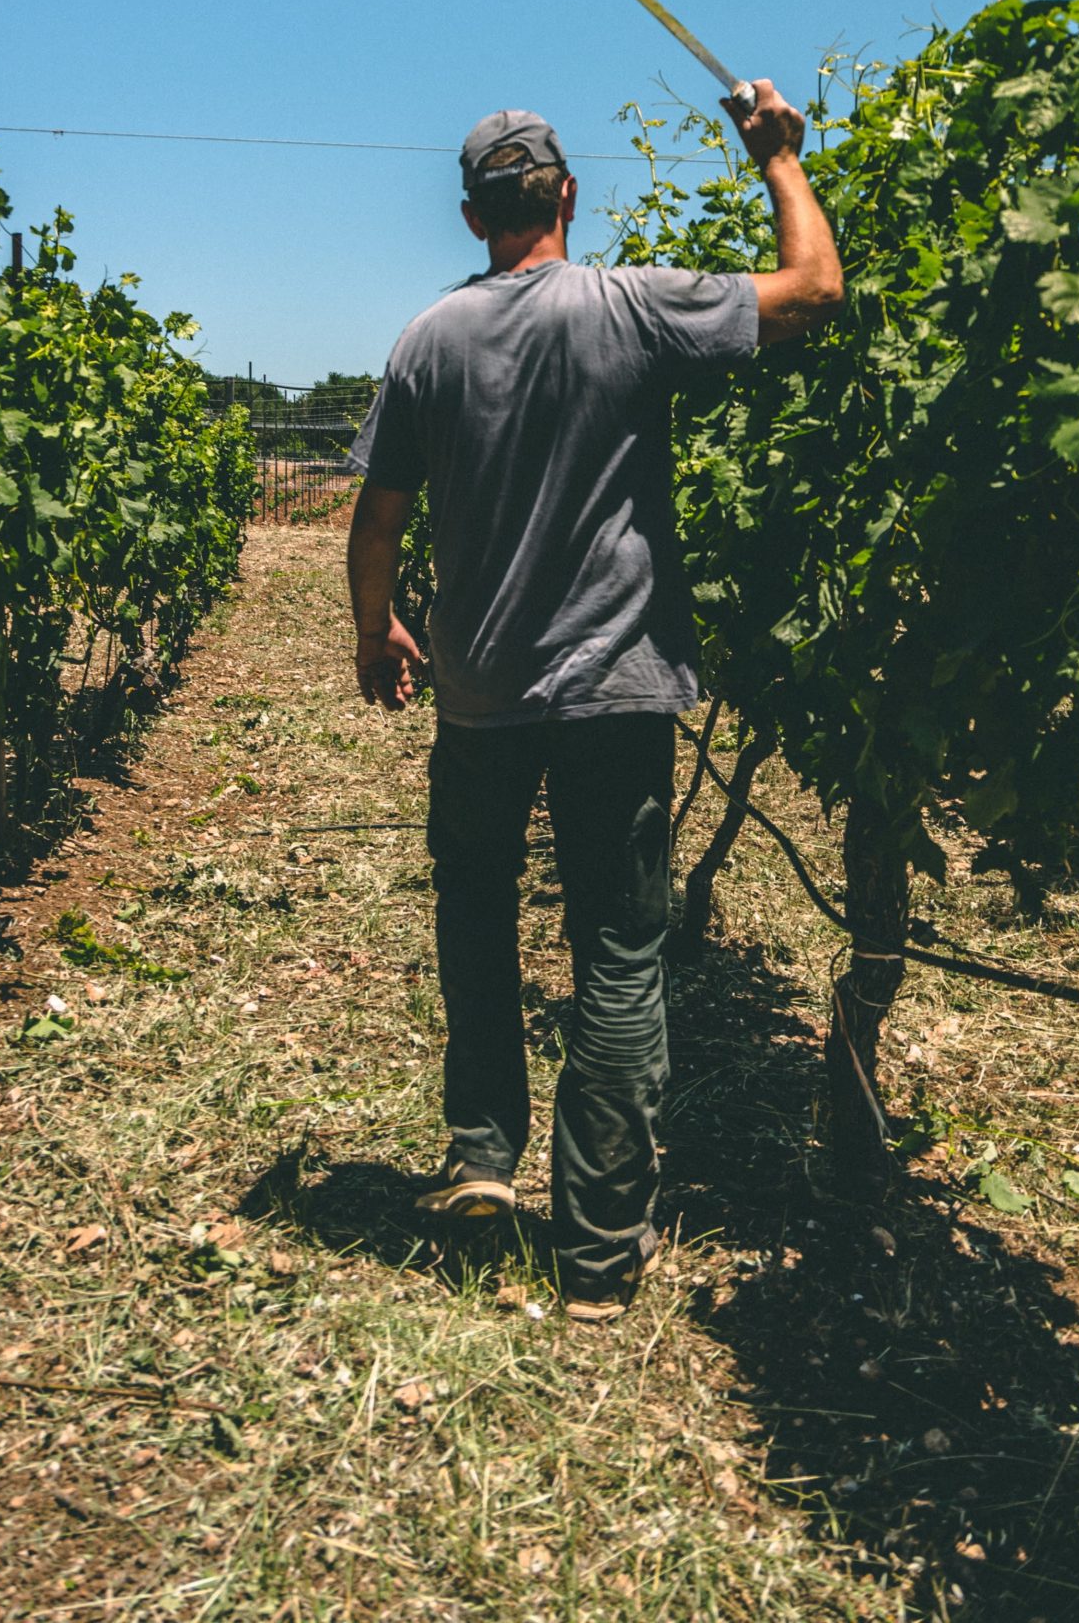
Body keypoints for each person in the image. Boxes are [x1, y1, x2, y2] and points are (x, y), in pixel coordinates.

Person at [345, 82, 843, 1319]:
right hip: (616, 696)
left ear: (472, 218)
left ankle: (479, 1160)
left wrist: (377, 623)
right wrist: (777, 158)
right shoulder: (630, 305)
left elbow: (376, 518)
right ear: (568, 196)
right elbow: (814, 291)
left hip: (476, 698)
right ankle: (598, 1258)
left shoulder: (425, 341)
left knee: (476, 915)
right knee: (618, 953)